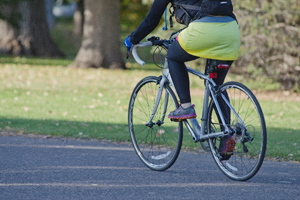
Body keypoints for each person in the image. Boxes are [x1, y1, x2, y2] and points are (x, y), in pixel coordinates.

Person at [124, 0, 240, 159]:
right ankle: (228, 133)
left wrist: (133, 39)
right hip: (231, 30)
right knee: (215, 84)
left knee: (173, 57)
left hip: (204, 31)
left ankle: (185, 106)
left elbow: (152, 19)